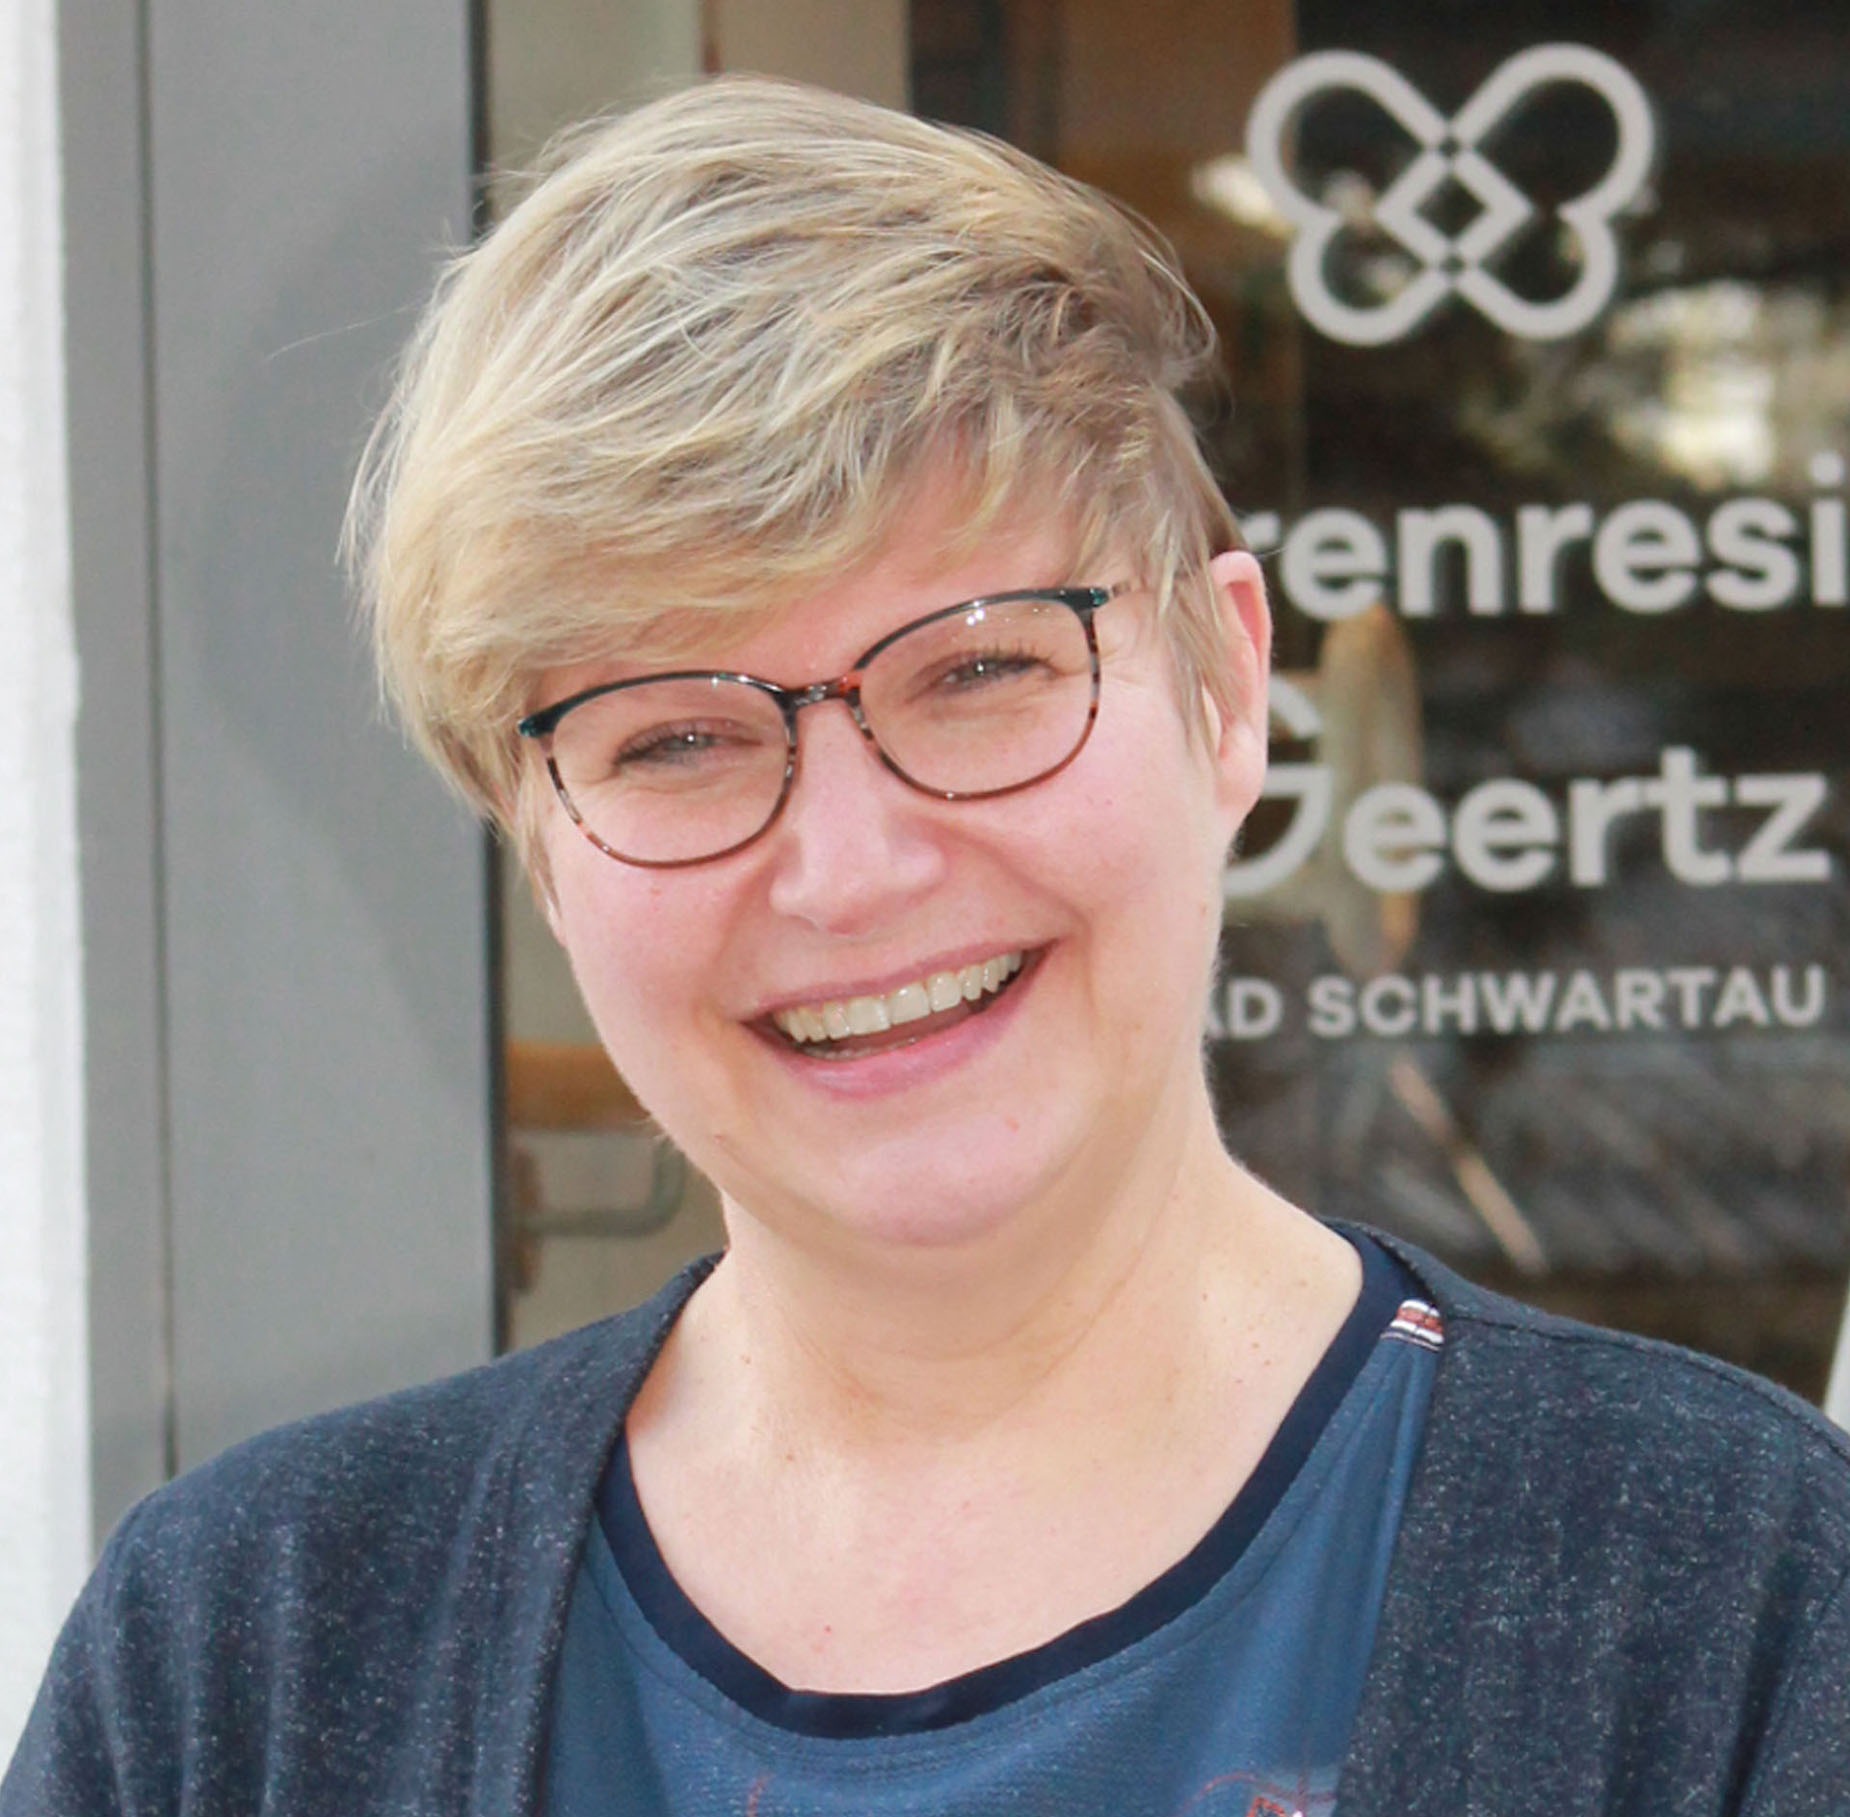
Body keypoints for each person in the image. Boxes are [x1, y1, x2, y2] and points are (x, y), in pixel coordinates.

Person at [7, 75, 1850, 1817]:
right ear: (536, 845)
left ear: (1228, 694)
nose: (850, 868)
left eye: (977, 672)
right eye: (674, 737)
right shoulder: (243, 1661)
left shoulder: (1724, 1601)